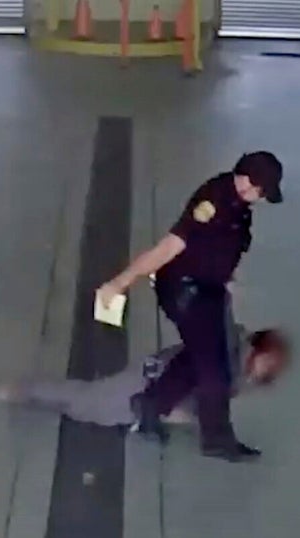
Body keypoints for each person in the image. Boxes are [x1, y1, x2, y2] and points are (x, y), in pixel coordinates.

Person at [97, 151, 283, 462]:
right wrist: (121, 282)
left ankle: (150, 407)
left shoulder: (241, 206)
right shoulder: (211, 203)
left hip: (209, 290)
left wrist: (227, 280)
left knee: (199, 358)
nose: (260, 197)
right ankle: (217, 440)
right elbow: (168, 248)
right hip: (185, 291)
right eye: (260, 189)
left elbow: (225, 248)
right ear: (245, 179)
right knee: (215, 370)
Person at [0, 323, 290, 428]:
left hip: (157, 389)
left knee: (98, 408)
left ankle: (33, 392)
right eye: (267, 361)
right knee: (89, 403)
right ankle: (26, 389)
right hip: (151, 382)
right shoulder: (229, 357)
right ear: (256, 349)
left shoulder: (239, 371)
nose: (265, 370)